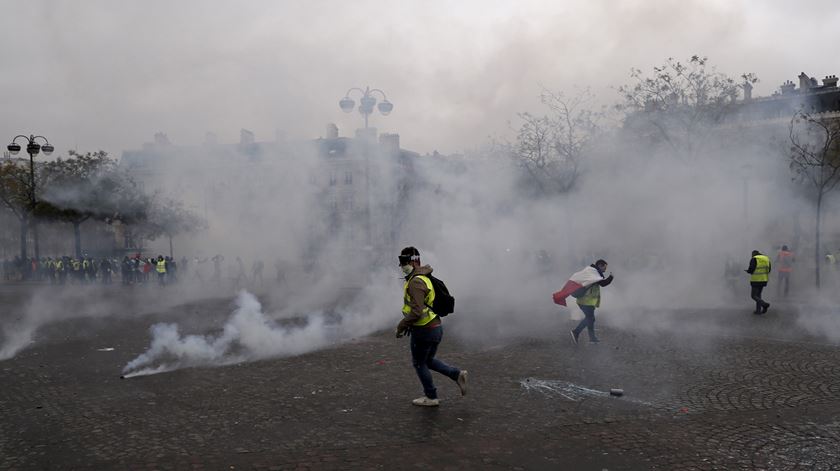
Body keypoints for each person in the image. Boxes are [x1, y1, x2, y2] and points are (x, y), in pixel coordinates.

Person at [396, 246, 467, 407]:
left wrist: (401, 326)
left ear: (413, 262)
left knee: (419, 363)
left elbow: (417, 311)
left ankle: (431, 396)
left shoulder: (415, 281)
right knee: (428, 360)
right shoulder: (425, 277)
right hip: (435, 328)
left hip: (424, 330)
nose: (401, 267)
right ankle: (457, 374)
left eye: (403, 262)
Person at [569, 259, 614, 345]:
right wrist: (611, 276)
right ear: (600, 266)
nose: (605, 270)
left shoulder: (593, 273)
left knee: (590, 319)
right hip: (585, 301)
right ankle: (576, 332)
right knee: (590, 318)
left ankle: (592, 338)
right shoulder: (594, 274)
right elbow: (603, 283)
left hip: (587, 301)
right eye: (604, 267)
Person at [746, 250, 771, 314]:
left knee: (753, 296)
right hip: (764, 279)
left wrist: (748, 271)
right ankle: (758, 310)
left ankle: (764, 305)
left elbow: (751, 269)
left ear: (754, 254)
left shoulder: (754, 259)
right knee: (758, 295)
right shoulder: (766, 258)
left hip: (756, 280)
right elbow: (769, 269)